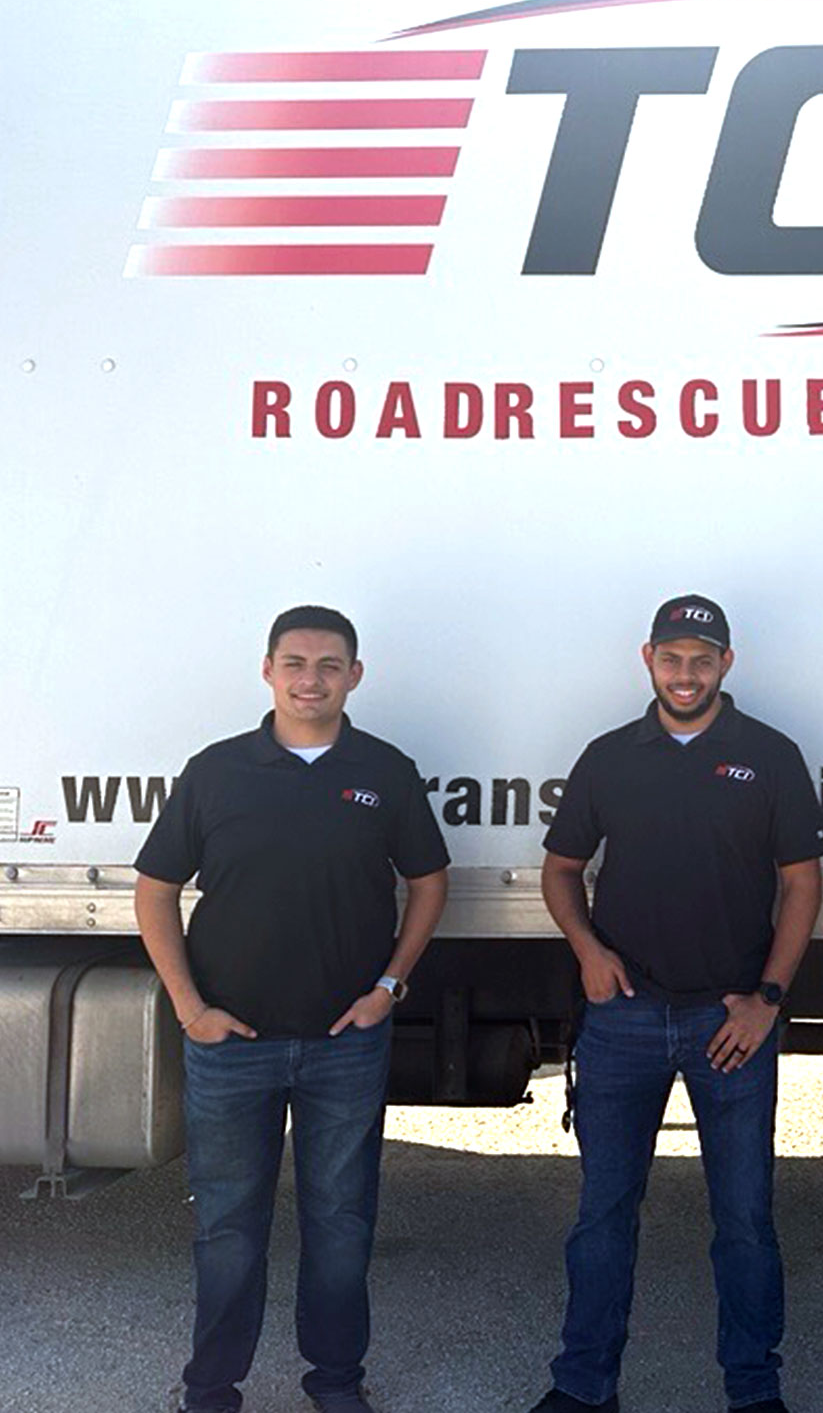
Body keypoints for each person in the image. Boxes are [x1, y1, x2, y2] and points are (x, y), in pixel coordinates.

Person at [134, 605, 450, 1413]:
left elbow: (428, 882)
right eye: (296, 663)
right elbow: (155, 891)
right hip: (230, 1046)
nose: (312, 679)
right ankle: (210, 1388)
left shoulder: (386, 771)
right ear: (269, 670)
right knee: (229, 1233)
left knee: (341, 1229)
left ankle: (337, 1383)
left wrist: (390, 988)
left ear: (355, 675)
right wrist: (189, 1007)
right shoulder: (215, 772)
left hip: (344, 1046)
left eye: (330, 664)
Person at [530, 594, 823, 1413]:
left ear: (726, 664)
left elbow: (802, 884)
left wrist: (768, 999)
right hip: (624, 1018)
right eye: (673, 657)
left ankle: (752, 1390)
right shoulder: (610, 756)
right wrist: (589, 953)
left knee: (744, 1222)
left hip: (729, 1021)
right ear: (648, 660)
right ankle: (584, 1387)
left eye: (703, 658)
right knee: (602, 1218)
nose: (687, 672)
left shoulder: (769, 755)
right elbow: (560, 869)